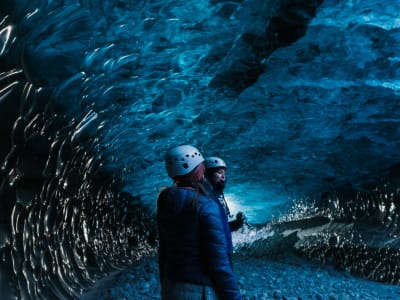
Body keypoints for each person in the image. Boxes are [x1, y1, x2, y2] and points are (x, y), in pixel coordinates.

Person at [157, 145, 242, 300]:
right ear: (200, 170)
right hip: (199, 289)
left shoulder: (165, 201)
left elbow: (164, 249)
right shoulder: (205, 205)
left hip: (171, 284)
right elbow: (218, 261)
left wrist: (165, 280)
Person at [204, 156, 246, 233]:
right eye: (219, 173)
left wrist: (237, 223)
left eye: (224, 173)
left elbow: (220, 227)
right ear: (208, 175)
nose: (223, 177)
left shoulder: (218, 195)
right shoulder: (205, 199)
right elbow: (212, 231)